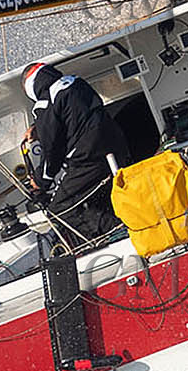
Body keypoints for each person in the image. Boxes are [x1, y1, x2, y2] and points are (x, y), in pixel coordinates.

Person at [21, 63, 126, 248]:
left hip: (87, 160)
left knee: (60, 209)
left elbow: (52, 149)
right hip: (115, 150)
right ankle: (131, 226)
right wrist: (39, 128)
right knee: (103, 197)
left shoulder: (44, 103)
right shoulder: (76, 82)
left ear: (31, 86)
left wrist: (41, 180)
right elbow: (74, 115)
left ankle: (118, 232)